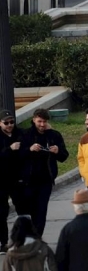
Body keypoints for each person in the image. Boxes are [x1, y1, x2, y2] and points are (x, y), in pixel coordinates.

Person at [19, 109, 68, 236]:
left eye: (44, 122)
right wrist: (29, 149)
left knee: (41, 211)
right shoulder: (26, 134)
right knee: (30, 211)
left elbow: (64, 156)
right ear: (34, 119)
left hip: (45, 180)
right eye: (39, 121)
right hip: (28, 181)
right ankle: (28, 237)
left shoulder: (54, 135)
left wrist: (57, 151)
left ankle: (37, 238)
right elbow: (18, 155)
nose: (42, 124)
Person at [0, 109, 25, 254]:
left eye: (11, 122)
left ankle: (22, 239)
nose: (9, 125)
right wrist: (9, 149)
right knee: (1, 212)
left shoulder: (19, 133)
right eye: (6, 123)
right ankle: (3, 242)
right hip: (1, 180)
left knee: (22, 209)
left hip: (17, 179)